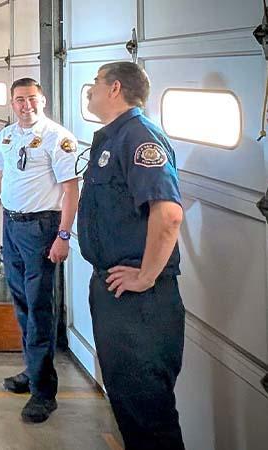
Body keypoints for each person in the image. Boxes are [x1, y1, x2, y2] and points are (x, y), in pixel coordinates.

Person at [79, 61, 185, 449]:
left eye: (94, 84)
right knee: (129, 406)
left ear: (115, 89)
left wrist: (146, 275)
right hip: (115, 292)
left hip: (140, 303)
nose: (89, 91)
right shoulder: (112, 138)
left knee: (148, 413)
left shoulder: (139, 138)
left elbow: (169, 214)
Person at [0, 78, 80, 423]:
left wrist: (64, 236)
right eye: (19, 100)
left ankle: (44, 393)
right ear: (12, 104)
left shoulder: (59, 137)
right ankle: (33, 370)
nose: (26, 105)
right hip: (12, 225)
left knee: (40, 309)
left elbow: (71, 189)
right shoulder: (7, 136)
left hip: (43, 229)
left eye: (31, 99)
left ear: (43, 99)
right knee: (21, 302)